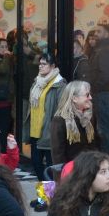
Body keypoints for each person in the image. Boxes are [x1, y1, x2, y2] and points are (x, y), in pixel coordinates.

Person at [24, 51, 65, 181]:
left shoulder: (59, 85)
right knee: (36, 164)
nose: (40, 66)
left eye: (44, 64)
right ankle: (44, 197)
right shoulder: (37, 82)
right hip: (35, 131)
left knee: (50, 168)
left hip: (49, 132)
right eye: (39, 63)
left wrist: (55, 131)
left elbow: (61, 110)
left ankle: (50, 198)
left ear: (52, 66)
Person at [49, 80, 99, 167]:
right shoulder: (59, 120)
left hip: (90, 169)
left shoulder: (90, 116)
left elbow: (96, 144)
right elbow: (58, 155)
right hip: (72, 173)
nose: (90, 97)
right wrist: (62, 178)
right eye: (87, 95)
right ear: (74, 98)